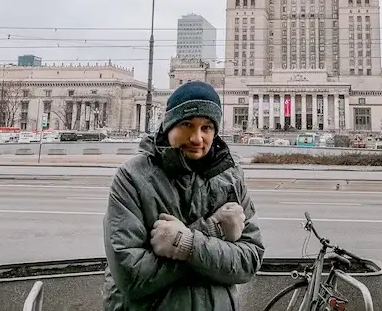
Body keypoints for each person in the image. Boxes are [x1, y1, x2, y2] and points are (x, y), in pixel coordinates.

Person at [103, 81, 265, 310]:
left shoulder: (231, 176)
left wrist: (186, 244)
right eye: (188, 124)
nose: (197, 138)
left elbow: (249, 260)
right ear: (169, 125)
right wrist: (212, 231)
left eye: (206, 127)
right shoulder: (132, 177)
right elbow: (131, 276)